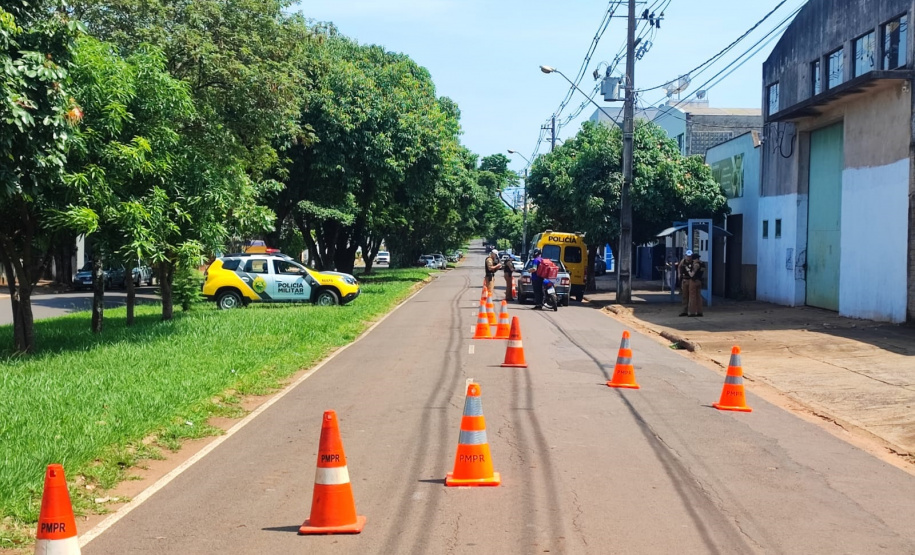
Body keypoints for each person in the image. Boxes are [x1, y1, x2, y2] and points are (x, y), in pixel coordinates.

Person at [687, 251, 705, 317]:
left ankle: (692, 312)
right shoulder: (702, 264)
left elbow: (692, 275)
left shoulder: (696, 265)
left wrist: (688, 270)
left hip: (694, 281)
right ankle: (700, 312)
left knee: (692, 297)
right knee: (699, 297)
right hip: (699, 281)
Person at [677, 250, 693, 317]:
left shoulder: (693, 262)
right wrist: (679, 274)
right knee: (684, 296)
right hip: (684, 280)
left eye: (690, 256)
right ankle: (684, 311)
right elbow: (679, 267)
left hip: (691, 280)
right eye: (687, 256)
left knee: (691, 296)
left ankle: (690, 311)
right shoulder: (683, 261)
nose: (688, 257)